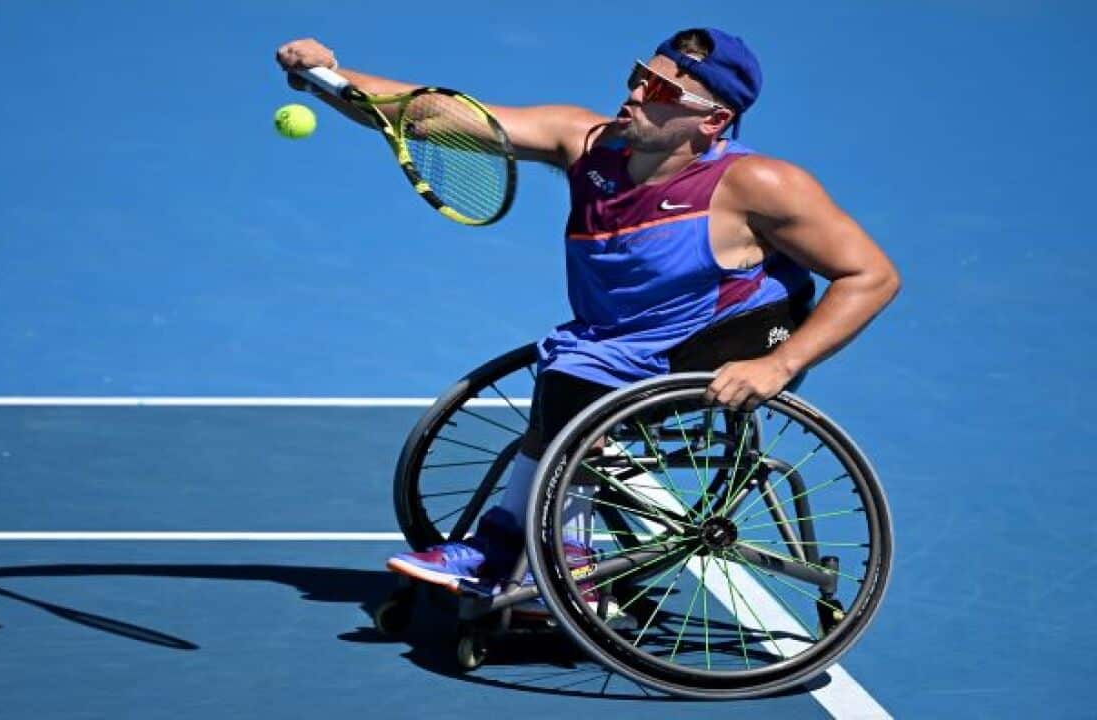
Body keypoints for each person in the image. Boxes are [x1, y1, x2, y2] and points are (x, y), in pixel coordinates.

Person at [275, 28, 901, 590]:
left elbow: (871, 276)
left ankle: (530, 553)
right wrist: (332, 76)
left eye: (658, 88)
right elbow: (436, 116)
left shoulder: (759, 185)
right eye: (638, 75)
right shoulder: (586, 144)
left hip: (737, 335)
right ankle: (547, 545)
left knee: (576, 379)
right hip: (624, 339)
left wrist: (782, 366)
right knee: (576, 369)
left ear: (711, 121)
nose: (633, 93)